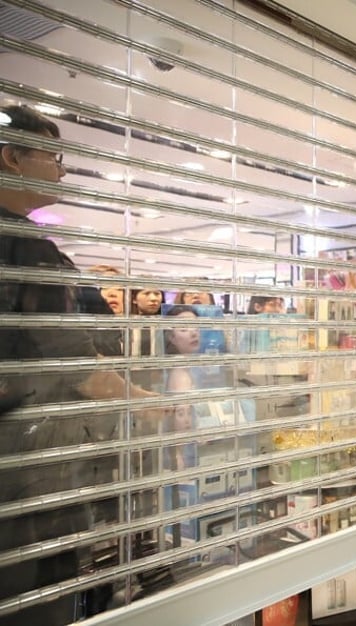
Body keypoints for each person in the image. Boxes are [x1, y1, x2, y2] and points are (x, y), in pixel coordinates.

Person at [0, 104, 161, 623]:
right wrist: (147, 404)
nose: (63, 168)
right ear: (12, 158)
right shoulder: (22, 248)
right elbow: (66, 362)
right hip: (28, 467)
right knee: (40, 591)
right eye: (53, 155)